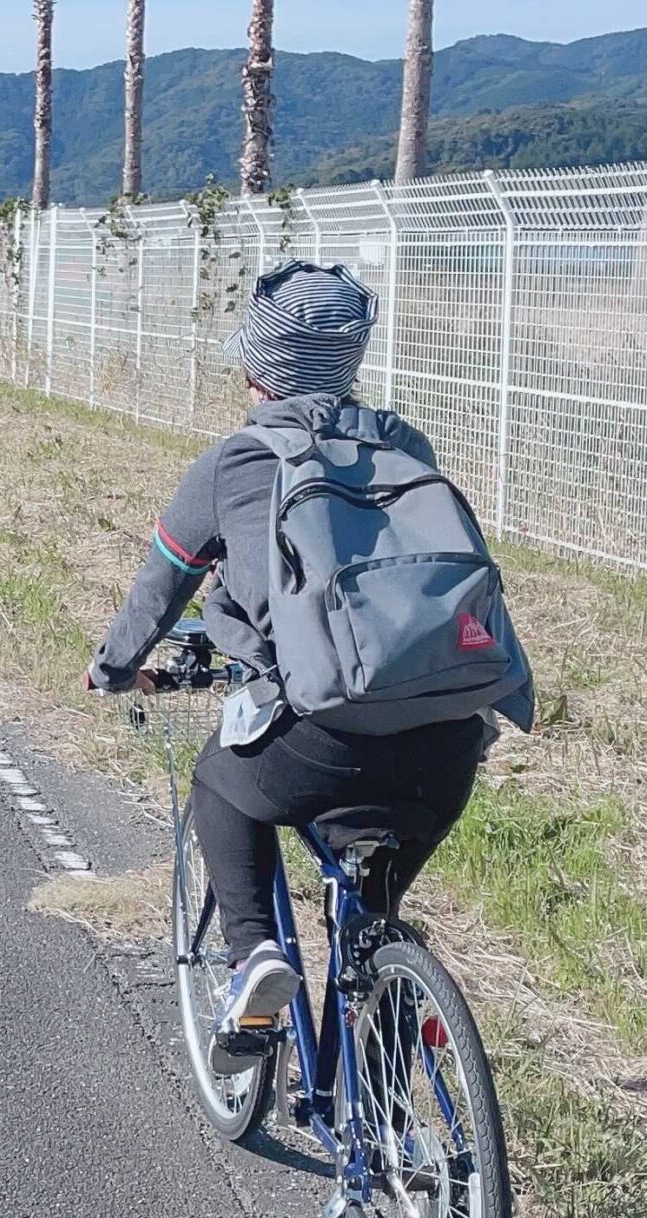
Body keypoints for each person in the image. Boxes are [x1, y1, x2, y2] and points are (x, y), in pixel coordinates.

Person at [87, 259, 523, 1068]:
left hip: (316, 737)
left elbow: (158, 593)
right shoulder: (405, 445)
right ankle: (392, 1083)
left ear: (256, 369)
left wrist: (115, 671)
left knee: (221, 783)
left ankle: (256, 956)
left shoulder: (233, 463)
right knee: (370, 919)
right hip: (447, 739)